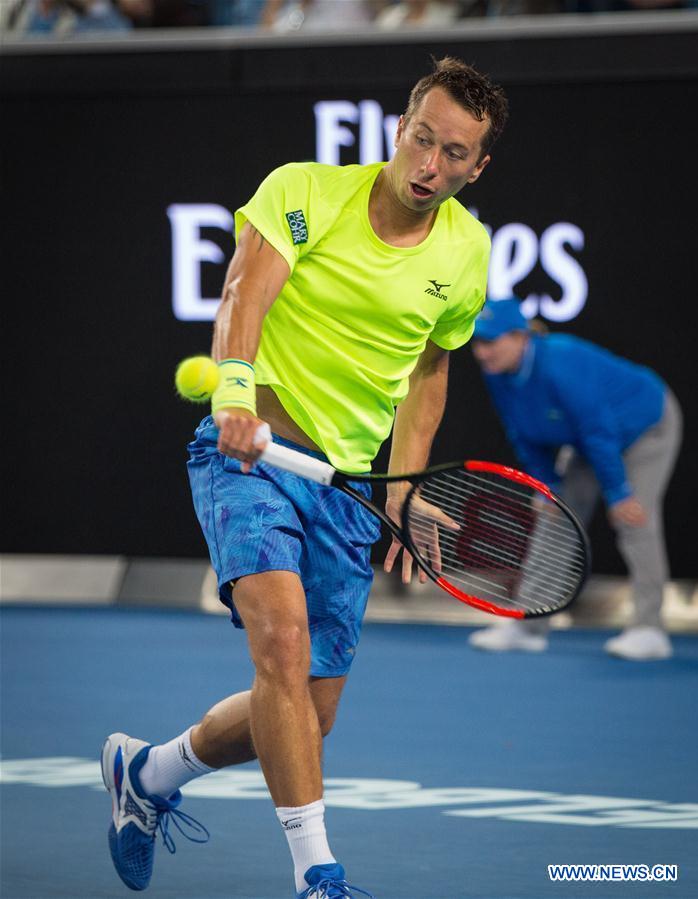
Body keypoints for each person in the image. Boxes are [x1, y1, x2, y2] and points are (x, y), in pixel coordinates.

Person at [101, 58, 508, 898]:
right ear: (400, 130)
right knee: (280, 643)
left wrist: (404, 479)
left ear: (477, 167)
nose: (430, 165)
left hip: (346, 484)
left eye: (454, 154)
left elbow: (430, 368)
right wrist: (238, 397)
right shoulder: (307, 189)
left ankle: (146, 776)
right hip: (248, 456)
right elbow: (244, 292)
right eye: (422, 139)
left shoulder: (468, 252)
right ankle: (318, 874)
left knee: (305, 716)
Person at [467, 298, 682, 661]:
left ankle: (650, 629)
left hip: (646, 426)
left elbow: (598, 429)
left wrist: (619, 494)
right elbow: (522, 433)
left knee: (634, 519)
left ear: (521, 337)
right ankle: (529, 625)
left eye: (491, 341)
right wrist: (546, 485)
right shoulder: (498, 374)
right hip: (590, 441)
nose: (482, 352)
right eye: (477, 343)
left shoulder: (559, 362)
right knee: (556, 519)